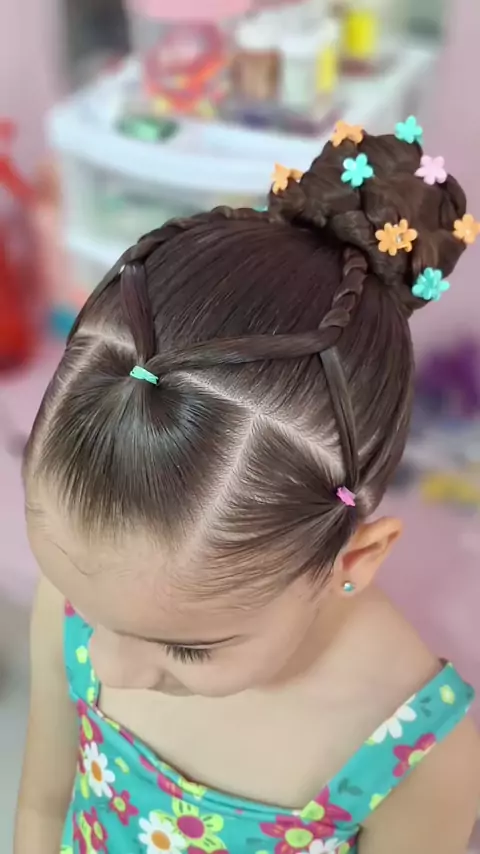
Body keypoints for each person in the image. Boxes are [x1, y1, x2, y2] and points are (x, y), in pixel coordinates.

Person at [15, 121, 480, 854]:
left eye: (188, 650)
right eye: (81, 605)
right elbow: (44, 807)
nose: (105, 668)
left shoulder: (416, 758)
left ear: (355, 559)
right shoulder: (92, 587)